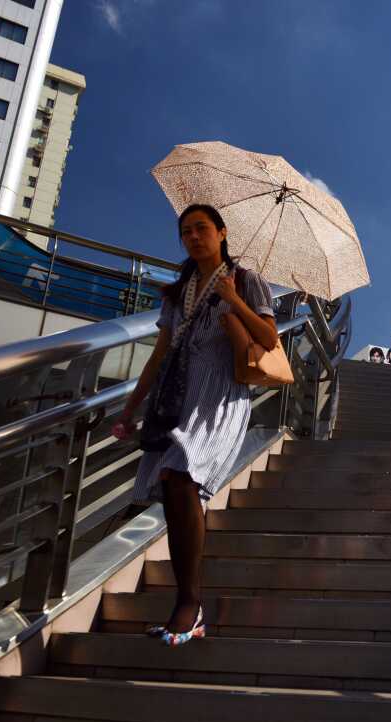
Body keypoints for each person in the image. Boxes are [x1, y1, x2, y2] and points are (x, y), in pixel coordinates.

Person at [112, 203, 277, 646]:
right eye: (185, 231)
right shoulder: (177, 291)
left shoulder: (246, 280)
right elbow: (159, 352)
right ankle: (188, 603)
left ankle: (190, 603)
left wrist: (233, 299)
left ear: (222, 232)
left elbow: (269, 339)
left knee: (181, 474)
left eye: (202, 228)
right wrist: (130, 409)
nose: (193, 237)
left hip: (220, 396)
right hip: (177, 396)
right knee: (172, 484)